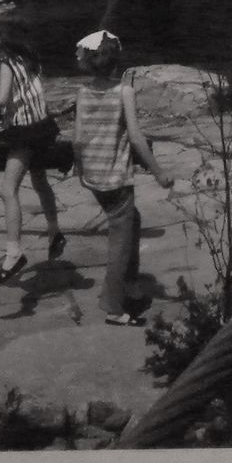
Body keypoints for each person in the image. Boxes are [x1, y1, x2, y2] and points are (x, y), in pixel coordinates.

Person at [72, 29, 172, 326]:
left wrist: (80, 170)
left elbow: (77, 138)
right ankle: (114, 306)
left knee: (132, 222)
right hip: (116, 178)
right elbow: (137, 138)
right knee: (120, 240)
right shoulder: (124, 92)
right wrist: (158, 172)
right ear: (117, 62)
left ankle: (129, 283)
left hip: (93, 176)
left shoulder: (82, 93)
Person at [0, 21, 63, 281]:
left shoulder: (7, 63)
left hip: (24, 131)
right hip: (43, 127)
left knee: (8, 189)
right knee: (40, 179)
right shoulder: (31, 60)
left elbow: (1, 99)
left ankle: (13, 252)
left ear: (2, 44)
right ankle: (54, 230)